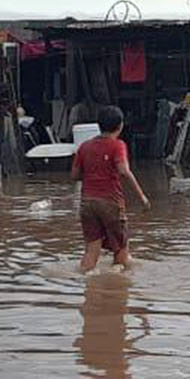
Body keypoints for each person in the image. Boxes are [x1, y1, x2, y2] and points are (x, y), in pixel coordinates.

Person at [73, 105, 151, 272]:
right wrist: (142, 196)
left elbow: (75, 176)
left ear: (99, 125)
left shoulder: (84, 147)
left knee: (91, 250)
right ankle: (115, 286)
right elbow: (124, 171)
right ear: (120, 125)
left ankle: (85, 282)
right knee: (121, 248)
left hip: (87, 203)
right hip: (110, 202)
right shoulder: (118, 145)